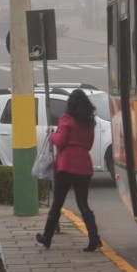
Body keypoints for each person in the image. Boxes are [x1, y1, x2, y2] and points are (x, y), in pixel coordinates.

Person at [35, 89, 102, 252]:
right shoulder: (89, 122)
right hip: (84, 165)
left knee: (57, 203)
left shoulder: (66, 118)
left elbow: (60, 140)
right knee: (83, 204)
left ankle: (47, 237)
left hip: (66, 166)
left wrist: (51, 134)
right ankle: (94, 238)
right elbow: (89, 144)